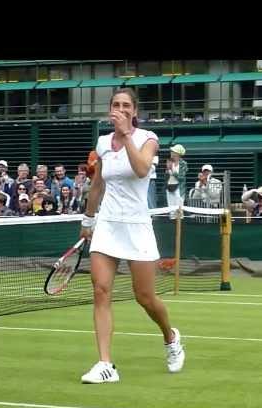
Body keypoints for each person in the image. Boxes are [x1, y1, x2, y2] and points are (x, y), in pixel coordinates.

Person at [79, 87, 185, 384]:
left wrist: (126, 136)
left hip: (137, 226)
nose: (121, 109)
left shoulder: (148, 139)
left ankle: (170, 337)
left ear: (134, 112)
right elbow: (98, 185)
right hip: (108, 225)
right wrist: (88, 219)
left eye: (127, 105)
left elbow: (140, 171)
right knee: (100, 290)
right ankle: (105, 364)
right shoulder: (101, 143)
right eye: (116, 104)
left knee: (145, 297)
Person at [165, 145, 188, 218]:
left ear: (178, 154)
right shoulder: (169, 161)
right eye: (171, 151)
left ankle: (179, 227)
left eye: (173, 151)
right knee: (171, 211)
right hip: (169, 187)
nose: (171, 153)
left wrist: (172, 170)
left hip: (179, 188)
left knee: (179, 209)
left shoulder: (183, 164)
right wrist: (167, 169)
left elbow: (181, 178)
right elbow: (166, 177)